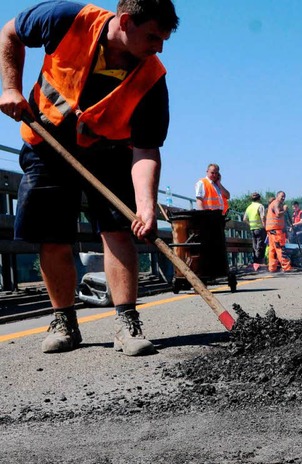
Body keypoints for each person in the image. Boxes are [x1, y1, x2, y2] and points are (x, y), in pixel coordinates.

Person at [0, 0, 179, 356]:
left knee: (118, 229)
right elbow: (10, 33)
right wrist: (10, 88)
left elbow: (145, 150)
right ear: (125, 21)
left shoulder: (152, 78)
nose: (158, 47)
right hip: (47, 141)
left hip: (111, 152)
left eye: (163, 40)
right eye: (153, 37)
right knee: (51, 234)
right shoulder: (67, 19)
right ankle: (64, 320)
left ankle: (126, 321)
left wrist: (144, 208)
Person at [265, 191, 292, 273]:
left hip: (271, 230)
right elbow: (278, 214)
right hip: (276, 231)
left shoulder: (273, 203)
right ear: (277, 196)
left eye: (284, 196)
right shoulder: (276, 203)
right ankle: (286, 267)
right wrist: (284, 210)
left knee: (272, 250)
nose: (283, 198)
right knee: (280, 249)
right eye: (282, 196)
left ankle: (272, 268)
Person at [242, 192, 266, 269]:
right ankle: (259, 262)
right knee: (261, 246)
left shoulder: (249, 207)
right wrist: (265, 227)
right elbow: (263, 218)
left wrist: (250, 225)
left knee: (255, 246)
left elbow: (244, 219)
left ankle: (255, 262)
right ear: (259, 198)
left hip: (252, 229)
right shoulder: (260, 206)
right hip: (260, 228)